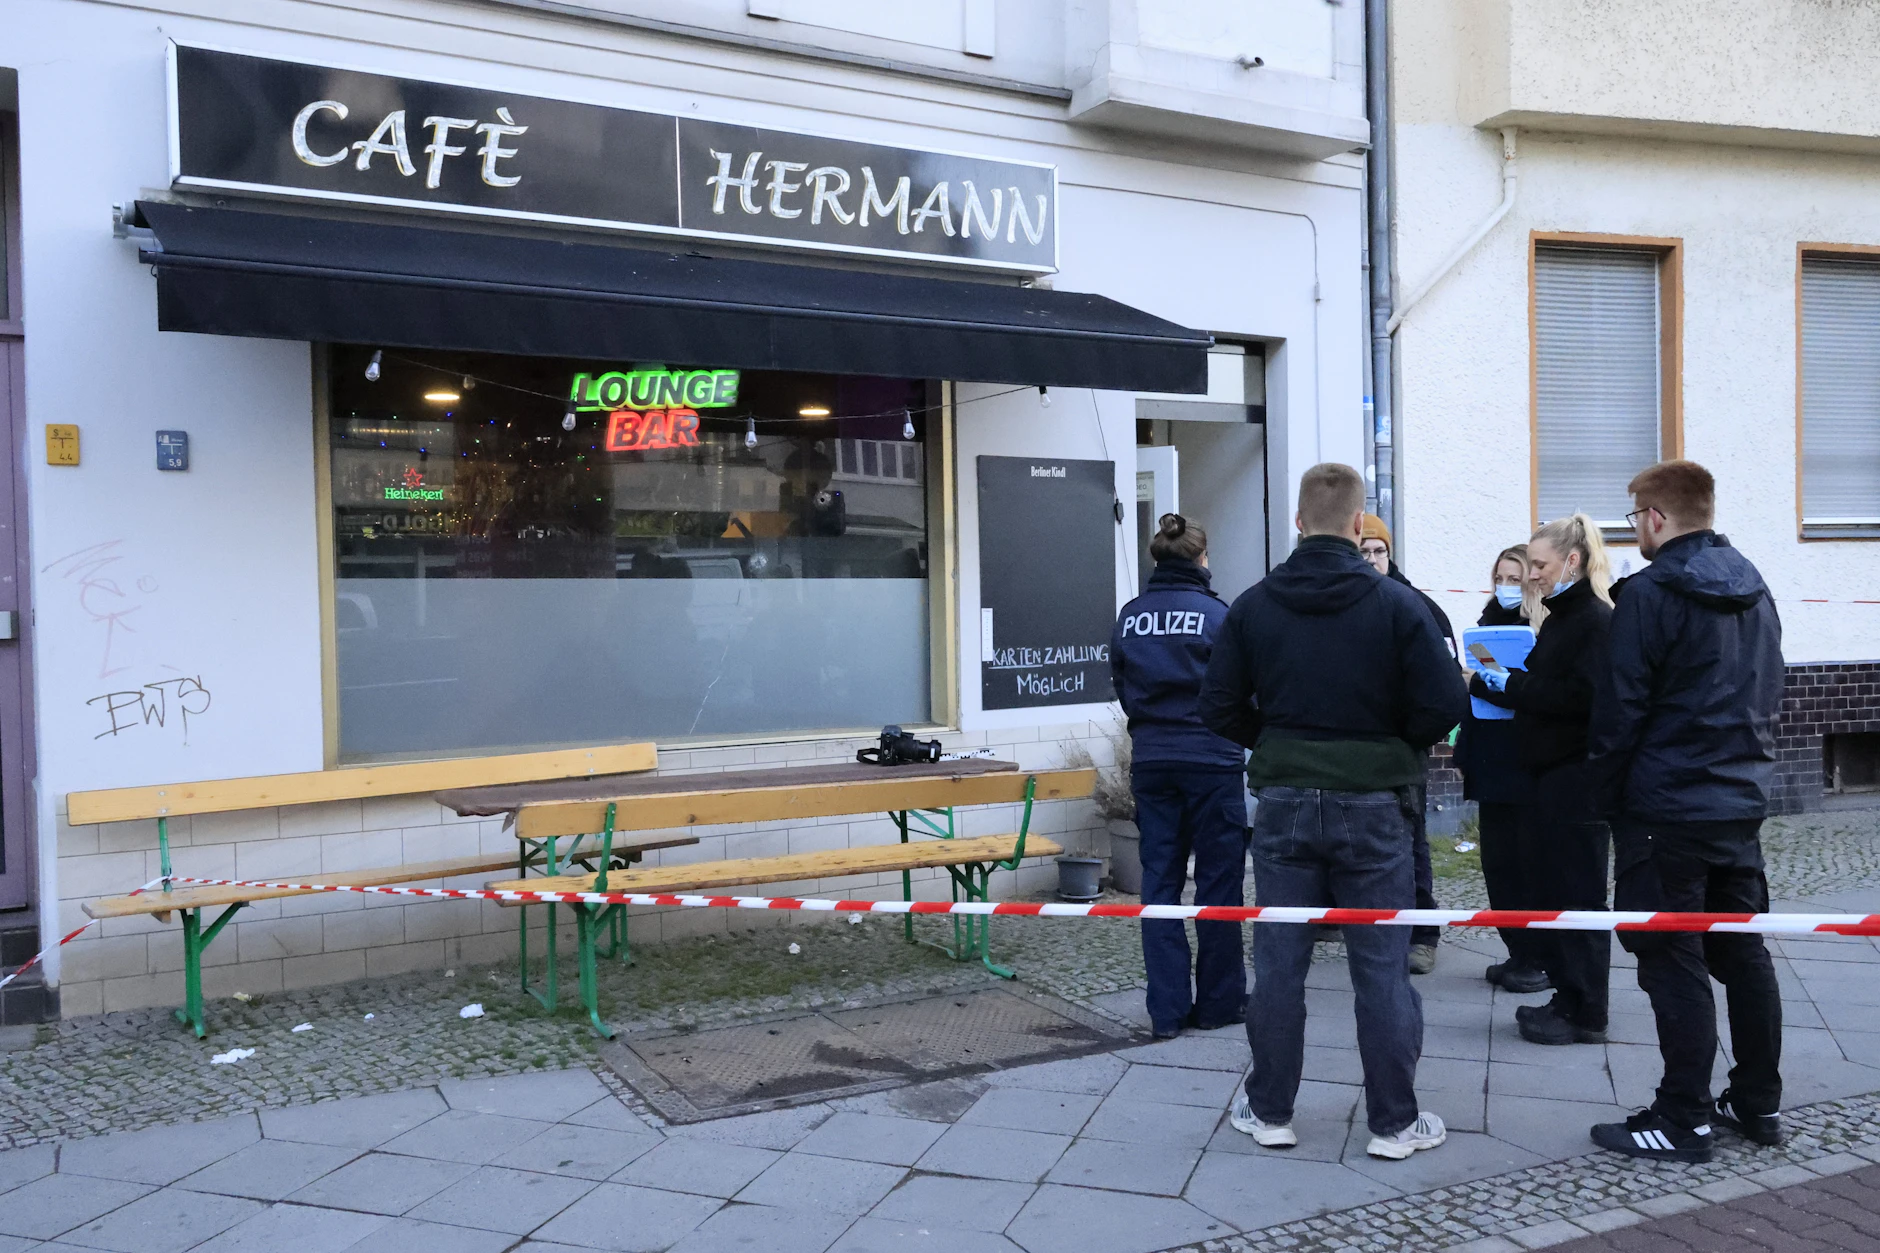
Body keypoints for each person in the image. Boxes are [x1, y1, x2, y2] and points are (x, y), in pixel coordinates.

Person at [1200, 463, 1466, 1160]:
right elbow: (1446, 701)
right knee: (1382, 967)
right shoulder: (1398, 605)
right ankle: (1394, 1123)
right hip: (1375, 803)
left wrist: (1276, 742)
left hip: (1284, 802)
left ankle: (1271, 1110)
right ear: (1357, 524)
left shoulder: (1254, 605)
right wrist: (1391, 747)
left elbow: (1217, 704)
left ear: (1297, 523)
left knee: (1279, 964)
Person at [1587, 460, 1785, 1163]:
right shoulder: (1753, 582)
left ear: (1655, 518)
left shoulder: (1650, 593)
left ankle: (1683, 1117)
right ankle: (1756, 1100)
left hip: (1666, 807)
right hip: (1737, 798)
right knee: (1741, 950)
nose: (1635, 531)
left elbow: (1621, 707)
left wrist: (1603, 796)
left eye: (1635, 518)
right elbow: (1770, 684)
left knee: (1672, 957)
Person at [1470, 515, 1615, 1045]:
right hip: (1553, 775)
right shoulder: (1565, 617)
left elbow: (1580, 699)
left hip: (1576, 778)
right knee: (1558, 891)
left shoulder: (1591, 620)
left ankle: (1585, 1010)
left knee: (1579, 898)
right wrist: (1508, 683)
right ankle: (1568, 997)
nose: (1532, 575)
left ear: (1571, 562)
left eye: (1538, 565)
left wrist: (1512, 687)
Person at [1110, 514, 1250, 1040]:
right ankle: (1218, 1003)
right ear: (1202, 559)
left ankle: (1166, 1012)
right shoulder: (1218, 616)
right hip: (1212, 761)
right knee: (1219, 884)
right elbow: (1240, 690)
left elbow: (1123, 685)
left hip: (1153, 761)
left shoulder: (1131, 616)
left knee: (1159, 884)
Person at [1359, 514, 1452, 976]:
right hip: (1357, 745)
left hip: (1401, 747)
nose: (1372, 559)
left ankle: (1422, 933)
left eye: (1378, 551)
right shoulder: (1347, 603)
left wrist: (1412, 736)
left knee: (1411, 842)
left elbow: (1445, 685)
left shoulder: (1416, 606)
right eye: (1363, 551)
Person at [1453, 545, 1547, 994]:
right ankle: (1518, 951)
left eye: (1515, 579)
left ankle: (1538, 958)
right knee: (1498, 865)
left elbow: (1525, 691)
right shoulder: (1486, 623)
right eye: (1500, 578)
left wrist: (1479, 683)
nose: (1505, 587)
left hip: (1524, 760)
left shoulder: (1544, 630)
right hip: (1489, 757)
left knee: (1528, 865)